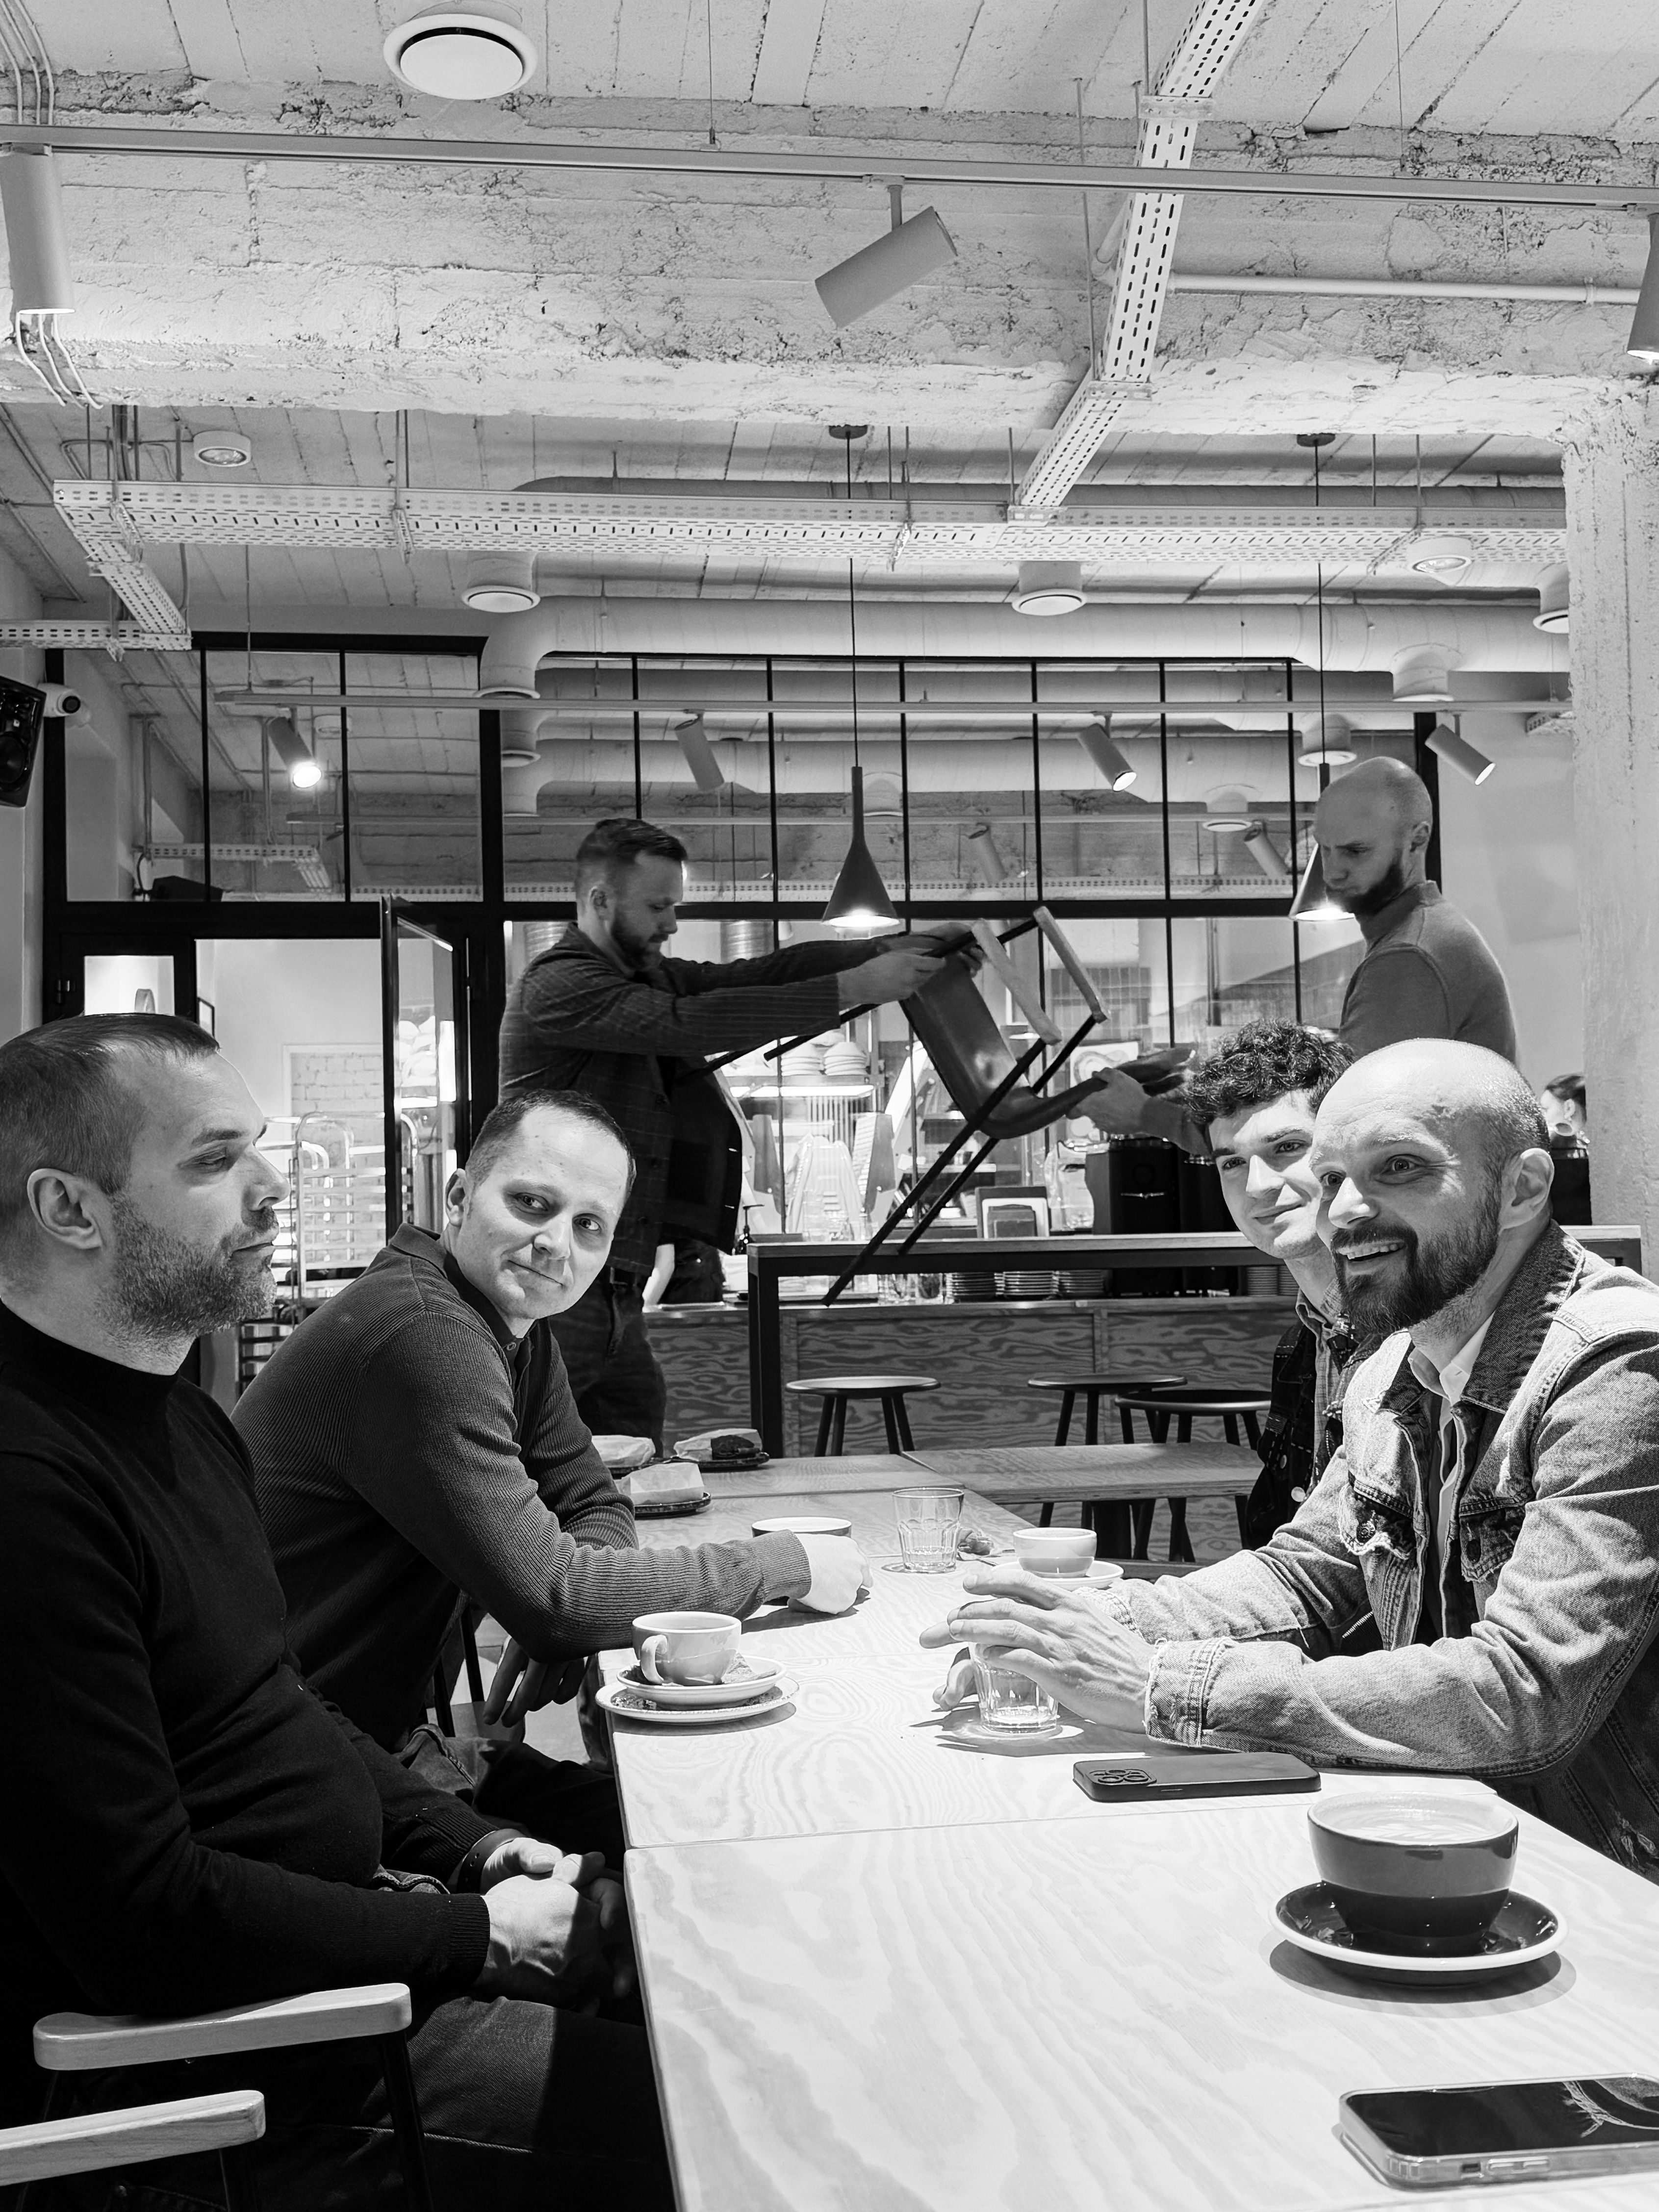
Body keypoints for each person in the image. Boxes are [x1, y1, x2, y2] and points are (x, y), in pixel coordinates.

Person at [0, 1014, 669, 2209]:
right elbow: (140, 1916)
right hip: (233, 2067)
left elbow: (281, 1704)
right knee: (727, 2099)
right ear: (68, 1208)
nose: (273, 1186)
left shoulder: (176, 1410)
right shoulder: (30, 1486)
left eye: (256, 1147)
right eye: (216, 1160)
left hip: (349, 1940)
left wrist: (462, 1845)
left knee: (697, 1961)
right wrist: (475, 1932)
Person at [922, 1039, 1659, 1876]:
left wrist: (1160, 1684)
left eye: (1398, 1167)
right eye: (1333, 1175)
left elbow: (1523, 1691)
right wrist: (1075, 1628)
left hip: (1607, 1872)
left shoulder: (1617, 1366)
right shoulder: (1395, 1361)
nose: (1342, 1210)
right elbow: (1303, 1576)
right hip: (1451, 1833)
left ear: (1521, 1187)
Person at [239, 1086, 867, 1830]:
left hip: (369, 1748)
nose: (556, 1244)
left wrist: (574, 1618)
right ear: (458, 1197)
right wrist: (786, 1561)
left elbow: (589, 1500)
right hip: (292, 1783)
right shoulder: (424, 1331)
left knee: (698, 1812)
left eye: (588, 1225)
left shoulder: (507, 1325)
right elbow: (559, 1595)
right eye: (531, 1203)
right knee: (705, 1827)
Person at [496, 816, 958, 1443]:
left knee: (629, 1444)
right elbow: (684, 1022)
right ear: (600, 901)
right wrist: (850, 987)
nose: (671, 923)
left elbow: (757, 974)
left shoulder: (646, 977)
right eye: (657, 906)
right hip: (549, 1276)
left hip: (609, 1283)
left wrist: (887, 949)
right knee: (522, 1450)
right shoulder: (558, 984)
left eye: (674, 905)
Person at [1075, 755, 1517, 1150]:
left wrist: (1147, 1115)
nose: (1333, 871)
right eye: (1324, 849)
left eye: (1355, 851)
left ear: (1417, 840)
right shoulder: (1422, 935)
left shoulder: (1409, 955)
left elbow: (1336, 1122)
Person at [1183, 1020, 1358, 1543]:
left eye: (1286, 1147)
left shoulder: (1415, 1335)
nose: (1257, 1185)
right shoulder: (1303, 1342)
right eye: (1232, 1163)